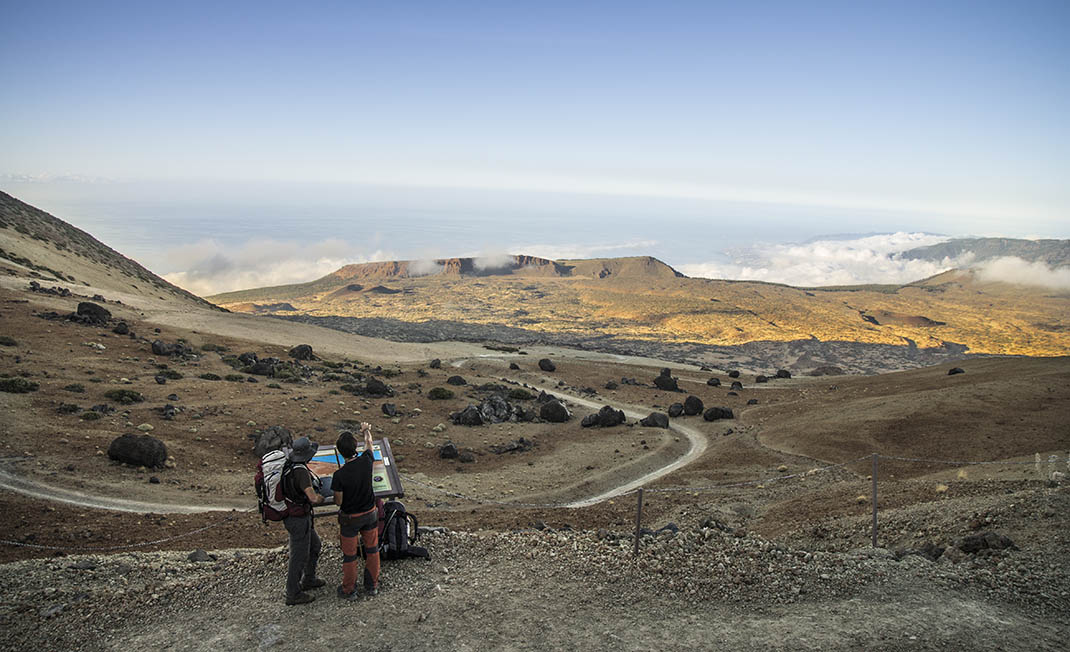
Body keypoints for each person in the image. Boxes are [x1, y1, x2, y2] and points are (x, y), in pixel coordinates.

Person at [332, 422, 381, 599]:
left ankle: (349, 589)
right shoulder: (366, 461)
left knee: (350, 556)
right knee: (372, 549)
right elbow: (369, 443)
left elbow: (339, 502)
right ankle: (372, 585)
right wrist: (366, 430)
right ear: (355, 447)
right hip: (369, 513)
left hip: (350, 519)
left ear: (339, 452)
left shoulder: (339, 475)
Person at [283, 436, 326, 605]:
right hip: (298, 518)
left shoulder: (290, 465)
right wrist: (321, 498)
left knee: (314, 545)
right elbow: (312, 498)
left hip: (295, 516)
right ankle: (292, 593)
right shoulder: (301, 471)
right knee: (298, 555)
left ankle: (309, 578)